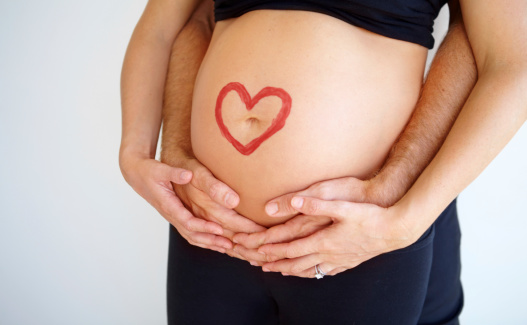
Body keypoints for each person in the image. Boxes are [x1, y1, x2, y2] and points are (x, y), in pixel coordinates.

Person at [119, 0, 526, 324]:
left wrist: (404, 221)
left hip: (356, 236)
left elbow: (511, 59)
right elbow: (173, 23)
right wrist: (141, 153)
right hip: (208, 228)